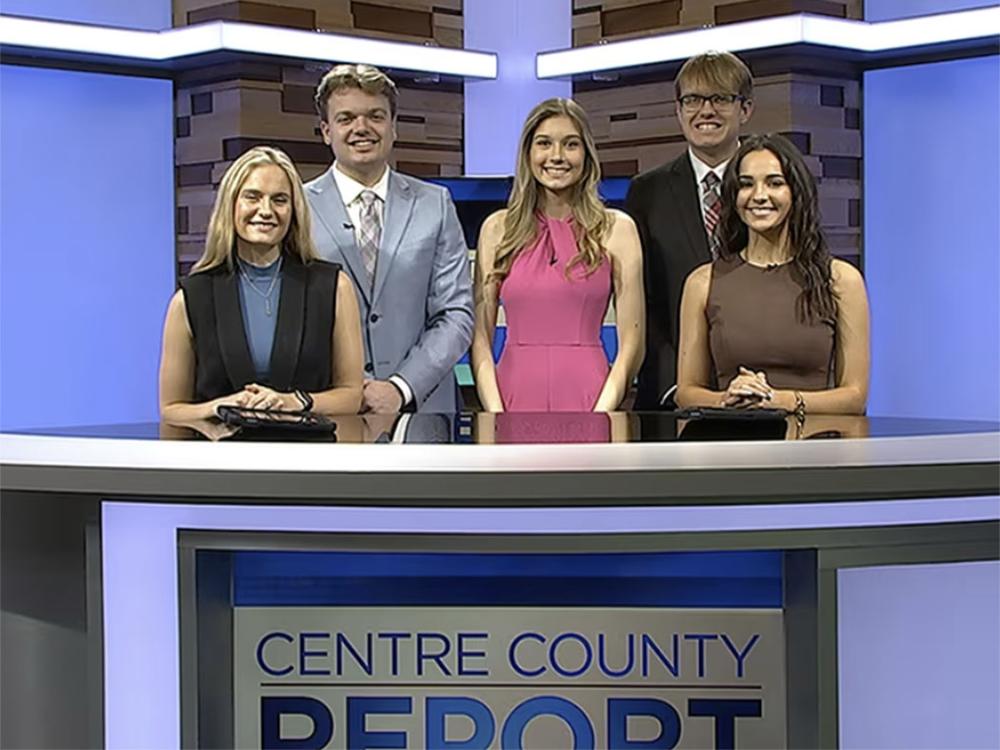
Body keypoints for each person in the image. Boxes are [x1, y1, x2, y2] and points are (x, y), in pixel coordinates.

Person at [306, 64, 473, 414]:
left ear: (393, 127)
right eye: (346, 118)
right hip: (328, 409)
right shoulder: (296, 207)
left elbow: (456, 313)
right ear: (326, 130)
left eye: (375, 116)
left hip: (423, 410)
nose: (361, 128)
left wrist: (401, 387)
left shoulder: (435, 205)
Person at [159, 146, 364, 421]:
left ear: (293, 211)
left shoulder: (333, 288)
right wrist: (223, 406)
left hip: (309, 456)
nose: (265, 210)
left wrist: (294, 401)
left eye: (279, 200)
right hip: (221, 457)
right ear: (231, 204)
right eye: (252, 197)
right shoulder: (192, 298)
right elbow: (171, 409)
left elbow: (351, 395)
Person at [675, 133, 870, 415]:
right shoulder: (702, 282)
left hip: (814, 448)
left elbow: (855, 396)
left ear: (796, 192)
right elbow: (687, 392)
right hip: (731, 447)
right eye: (746, 185)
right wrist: (728, 399)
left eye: (775, 183)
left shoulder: (840, 280)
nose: (759, 196)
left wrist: (778, 400)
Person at [471, 98, 644, 412]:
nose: (557, 156)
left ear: (586, 155)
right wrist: (496, 414)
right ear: (528, 153)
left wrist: (602, 413)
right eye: (544, 143)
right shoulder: (497, 230)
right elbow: (480, 339)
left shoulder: (617, 230)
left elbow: (633, 343)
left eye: (571, 144)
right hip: (511, 396)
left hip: (591, 397)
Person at [626, 50, 755, 409]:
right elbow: (642, 303)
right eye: (694, 99)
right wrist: (677, 386)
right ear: (679, 111)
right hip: (671, 396)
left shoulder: (772, 187)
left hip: (762, 391)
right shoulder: (646, 192)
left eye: (721, 98)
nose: (706, 111)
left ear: (745, 109)